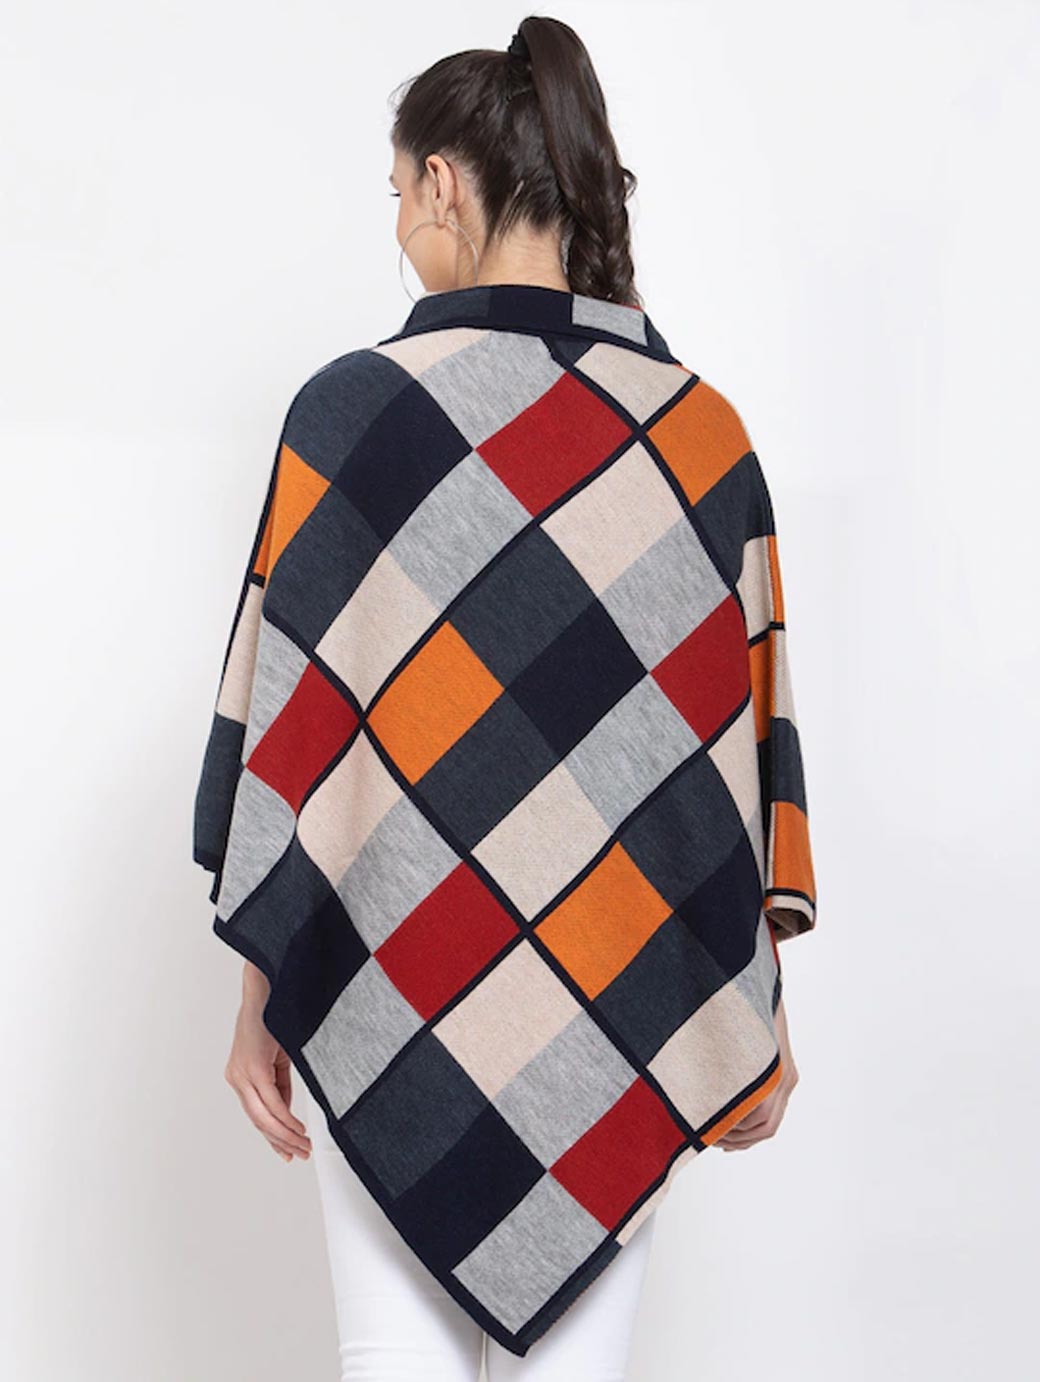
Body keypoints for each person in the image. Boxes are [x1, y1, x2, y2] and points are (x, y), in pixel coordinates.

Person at [196, 14, 817, 1380]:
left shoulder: (352, 416)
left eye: (396, 193)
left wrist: (262, 990)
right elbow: (734, 764)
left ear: (442, 184)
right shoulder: (702, 439)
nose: (397, 227)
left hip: (385, 987)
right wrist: (752, 1007)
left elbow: (295, 750)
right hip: (623, 1005)